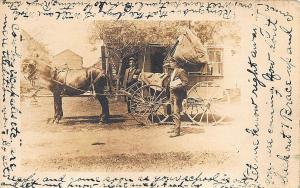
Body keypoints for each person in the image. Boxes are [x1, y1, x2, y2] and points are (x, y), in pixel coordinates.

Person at [168, 58, 188, 137]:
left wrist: (176, 87)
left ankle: (177, 132)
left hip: (177, 94)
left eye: (171, 62)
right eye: (170, 62)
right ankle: (175, 127)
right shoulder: (173, 72)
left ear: (176, 63)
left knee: (176, 112)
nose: (170, 64)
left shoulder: (181, 71)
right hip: (172, 93)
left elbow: (185, 82)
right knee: (173, 111)